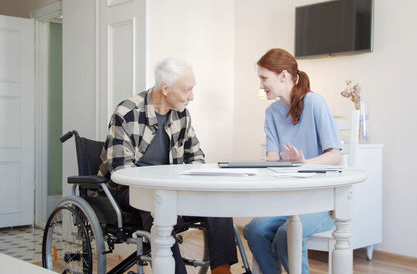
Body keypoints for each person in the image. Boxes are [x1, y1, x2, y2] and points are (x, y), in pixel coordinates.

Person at [98, 57, 237, 274]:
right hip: (132, 191)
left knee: (218, 203)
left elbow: (196, 157)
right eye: (187, 90)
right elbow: (120, 170)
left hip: (174, 190)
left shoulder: (182, 114)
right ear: (165, 88)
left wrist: (191, 187)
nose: (192, 96)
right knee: (159, 206)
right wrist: (164, 191)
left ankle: (222, 271)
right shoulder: (127, 113)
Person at [243, 48, 342, 274]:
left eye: (264, 78)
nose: (260, 85)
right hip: (286, 199)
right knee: (254, 230)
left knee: (286, 234)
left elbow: (335, 155)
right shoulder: (271, 113)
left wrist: (305, 163)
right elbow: (273, 157)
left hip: (319, 200)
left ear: (284, 76)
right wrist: (264, 165)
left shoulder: (315, 103)